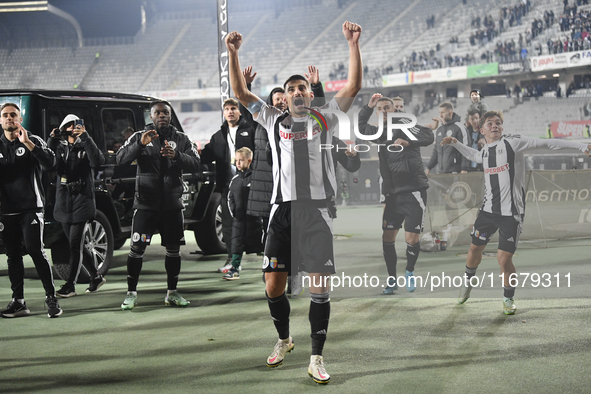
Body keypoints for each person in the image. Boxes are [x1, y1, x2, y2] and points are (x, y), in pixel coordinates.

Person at [226, 20, 363, 384]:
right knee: (273, 286)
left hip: (316, 211)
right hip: (281, 212)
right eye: (291, 88)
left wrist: (353, 44)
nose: (297, 91)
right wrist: (233, 52)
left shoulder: (326, 116)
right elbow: (240, 92)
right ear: (284, 97)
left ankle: (316, 357)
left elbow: (354, 86)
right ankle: (284, 339)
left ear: (309, 93)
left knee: (319, 287)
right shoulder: (272, 119)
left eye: (302, 86)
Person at [442, 110, 591, 314]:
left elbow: (546, 143)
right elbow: (474, 155)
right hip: (487, 212)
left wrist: (582, 146)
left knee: (503, 259)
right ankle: (467, 283)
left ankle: (508, 297)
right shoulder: (485, 151)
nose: (495, 126)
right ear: (481, 129)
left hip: (511, 215)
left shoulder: (513, 143)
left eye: (498, 123)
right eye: (490, 124)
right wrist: (454, 143)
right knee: (473, 250)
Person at [116, 100, 200, 310]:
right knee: (136, 249)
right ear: (151, 117)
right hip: (146, 205)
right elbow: (120, 159)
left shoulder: (181, 139)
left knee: (173, 250)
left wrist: (178, 156)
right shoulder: (139, 137)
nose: (162, 116)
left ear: (170, 116)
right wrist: (140, 145)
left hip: (172, 205)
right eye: (158, 113)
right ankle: (131, 293)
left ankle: (172, 292)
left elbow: (196, 162)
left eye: (165, 113)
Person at [358, 94, 433, 294]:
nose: (383, 111)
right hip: (392, 194)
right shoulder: (378, 131)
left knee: (412, 239)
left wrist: (408, 141)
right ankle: (392, 279)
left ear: (394, 110)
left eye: (386, 108)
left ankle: (409, 271)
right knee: (387, 237)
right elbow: (362, 128)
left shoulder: (407, 123)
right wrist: (368, 107)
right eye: (380, 109)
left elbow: (429, 136)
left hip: (413, 191)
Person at [0, 102, 62, 318]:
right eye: (5, 115)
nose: (9, 118)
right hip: (6, 212)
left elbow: (51, 162)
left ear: (20, 119)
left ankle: (51, 298)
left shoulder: (32, 140)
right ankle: (19, 301)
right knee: (13, 256)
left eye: (13, 115)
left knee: (36, 251)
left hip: (31, 209)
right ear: (0, 120)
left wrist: (28, 145)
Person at [48, 114, 106, 297]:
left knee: (74, 245)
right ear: (64, 128)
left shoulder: (85, 145)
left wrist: (86, 137)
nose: (74, 128)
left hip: (82, 201)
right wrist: (52, 139)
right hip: (63, 201)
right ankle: (96, 277)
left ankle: (70, 285)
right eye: (70, 126)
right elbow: (48, 165)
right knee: (76, 245)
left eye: (77, 125)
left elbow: (98, 161)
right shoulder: (59, 147)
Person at [201, 98, 255, 273]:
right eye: (227, 109)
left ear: (239, 111)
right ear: (223, 113)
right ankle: (233, 260)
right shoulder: (218, 136)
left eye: (234, 108)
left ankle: (266, 256)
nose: (230, 111)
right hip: (229, 187)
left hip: (252, 185)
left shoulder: (251, 130)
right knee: (229, 226)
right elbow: (204, 157)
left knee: (257, 224)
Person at [223, 147, 262, 280]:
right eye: (236, 160)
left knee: (260, 243)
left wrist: (258, 212)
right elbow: (230, 197)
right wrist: (234, 211)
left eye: (242, 160)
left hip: (254, 220)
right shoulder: (235, 180)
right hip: (239, 220)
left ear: (249, 161)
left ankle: (269, 268)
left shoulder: (257, 178)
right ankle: (234, 269)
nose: (238, 163)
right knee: (236, 244)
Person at [426, 102, 468, 174]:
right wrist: (429, 167)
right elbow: (436, 151)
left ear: (450, 112)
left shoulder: (459, 128)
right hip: (442, 172)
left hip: (455, 172)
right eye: (439, 112)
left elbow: (466, 149)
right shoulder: (439, 130)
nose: (440, 115)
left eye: (443, 112)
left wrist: (464, 168)